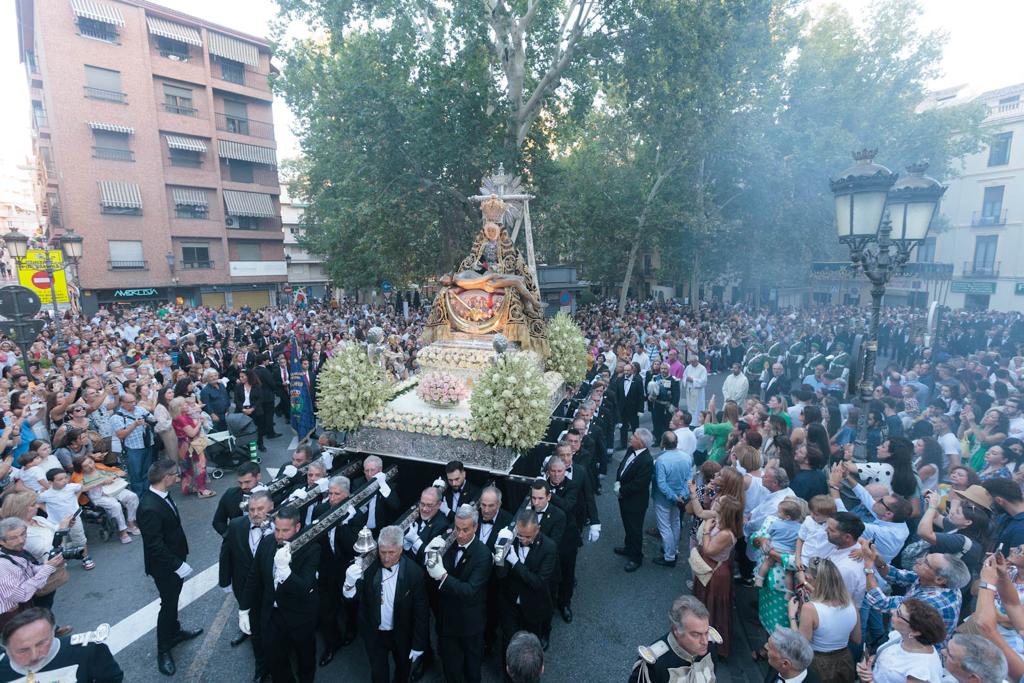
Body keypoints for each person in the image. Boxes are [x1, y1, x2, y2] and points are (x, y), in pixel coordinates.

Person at [238, 505, 320, 683]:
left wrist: (285, 570)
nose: (280, 535)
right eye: (277, 530)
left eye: (285, 531)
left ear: (297, 528)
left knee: (305, 659)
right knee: (276, 661)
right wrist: (243, 609)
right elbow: (254, 576)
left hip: (299, 616)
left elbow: (304, 588)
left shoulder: (311, 549)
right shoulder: (267, 543)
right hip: (272, 615)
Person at [136, 459, 203, 676]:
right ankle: (163, 649)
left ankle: (175, 632)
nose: (178, 477)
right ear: (165, 478)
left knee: (173, 600)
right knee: (168, 604)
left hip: (174, 558)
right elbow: (154, 545)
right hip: (165, 567)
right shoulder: (148, 507)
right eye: (175, 474)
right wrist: (177, 565)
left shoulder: (161, 495)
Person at [343, 525, 429, 683]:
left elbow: (421, 613)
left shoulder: (414, 573)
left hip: (402, 633)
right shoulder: (368, 568)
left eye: (392, 552)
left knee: (402, 671)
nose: (387, 558)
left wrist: (419, 643)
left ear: (401, 549)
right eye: (383, 552)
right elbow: (351, 599)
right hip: (374, 633)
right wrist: (349, 583)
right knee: (378, 674)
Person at [423, 503, 491, 683]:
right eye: (457, 528)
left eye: (465, 530)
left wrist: (443, 576)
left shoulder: (483, 555)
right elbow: (431, 572)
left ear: (475, 527)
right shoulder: (449, 540)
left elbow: (469, 590)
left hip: (470, 624)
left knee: (472, 670)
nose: (459, 534)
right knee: (450, 668)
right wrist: (430, 554)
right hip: (446, 620)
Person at [859, 538, 969, 643]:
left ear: (939, 579)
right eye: (925, 557)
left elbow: (881, 602)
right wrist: (877, 559)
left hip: (911, 650)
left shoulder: (930, 603)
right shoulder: (932, 580)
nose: (918, 560)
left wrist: (868, 566)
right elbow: (896, 575)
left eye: (926, 562)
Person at [218, 491, 274, 682]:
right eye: (252, 509)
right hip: (245, 589)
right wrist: (224, 581)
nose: (256, 513)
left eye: (260, 509)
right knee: (256, 631)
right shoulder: (236, 525)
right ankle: (261, 667)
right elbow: (225, 553)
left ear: (271, 508)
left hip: (272, 591)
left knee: (275, 628)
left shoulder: (280, 528)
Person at [311, 475, 364, 667]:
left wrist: (344, 524)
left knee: (349, 603)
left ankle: (351, 629)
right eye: (330, 493)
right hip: (326, 569)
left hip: (346, 569)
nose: (332, 498)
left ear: (347, 494)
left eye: (337, 494)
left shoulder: (356, 515)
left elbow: (354, 547)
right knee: (326, 610)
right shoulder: (321, 509)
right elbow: (315, 540)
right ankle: (332, 644)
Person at [0, 607, 123, 682]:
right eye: (22, 650)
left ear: (53, 632)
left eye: (42, 643)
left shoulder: (88, 650)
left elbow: (111, 678)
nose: (34, 655)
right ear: (6, 649)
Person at [495, 510, 557, 654]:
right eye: (520, 535)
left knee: (530, 645)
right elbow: (500, 575)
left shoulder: (549, 547)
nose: (522, 539)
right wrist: (500, 550)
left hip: (533, 604)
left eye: (528, 536)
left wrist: (515, 563)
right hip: (510, 602)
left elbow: (538, 582)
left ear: (538, 529)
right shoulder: (511, 539)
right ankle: (508, 674)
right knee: (508, 641)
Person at [789, 558, 859, 682]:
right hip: (845, 661)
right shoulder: (850, 602)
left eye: (808, 576)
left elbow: (800, 647)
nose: (806, 577)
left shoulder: (810, 609)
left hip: (818, 664)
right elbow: (856, 639)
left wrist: (792, 616)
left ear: (815, 580)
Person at [692, 495, 741, 658]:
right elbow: (699, 512)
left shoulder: (726, 533)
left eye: (719, 502)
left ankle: (711, 646)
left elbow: (709, 550)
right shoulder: (717, 517)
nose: (716, 501)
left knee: (712, 608)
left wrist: (706, 530)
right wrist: (693, 493)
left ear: (725, 510)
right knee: (704, 603)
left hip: (715, 573)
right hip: (709, 568)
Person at [628, 595, 719, 683]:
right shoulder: (655, 664)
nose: (704, 641)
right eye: (696, 635)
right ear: (676, 630)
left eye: (706, 632)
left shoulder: (710, 645)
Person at [855, 598, 945, 683]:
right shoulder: (900, 636)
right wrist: (869, 663)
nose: (892, 611)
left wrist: (869, 680)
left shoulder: (921, 670)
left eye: (899, 614)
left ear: (915, 631)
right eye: (897, 608)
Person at [0, 518, 64, 633]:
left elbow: (30, 569)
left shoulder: (14, 551)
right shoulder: (3, 565)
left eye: (22, 534)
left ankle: (50, 631)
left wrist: (49, 565)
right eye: (13, 538)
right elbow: (22, 595)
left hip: (22, 607)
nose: (21, 540)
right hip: (12, 614)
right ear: (1, 541)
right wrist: (48, 568)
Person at [615, 429, 654, 572]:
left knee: (635, 530)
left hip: (635, 502)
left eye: (635, 437)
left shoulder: (647, 460)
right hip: (625, 498)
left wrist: (620, 490)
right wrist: (618, 481)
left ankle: (636, 558)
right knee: (627, 525)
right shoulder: (631, 449)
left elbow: (639, 484)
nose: (631, 438)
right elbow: (622, 466)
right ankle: (628, 547)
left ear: (642, 443)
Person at [652, 430, 692, 568]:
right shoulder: (686, 457)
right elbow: (689, 478)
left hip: (664, 499)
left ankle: (669, 557)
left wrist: (673, 497)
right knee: (675, 523)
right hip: (680, 498)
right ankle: (673, 550)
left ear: (663, 443)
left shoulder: (661, 460)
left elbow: (661, 483)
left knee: (665, 527)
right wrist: (681, 495)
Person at [109, 392, 154, 496]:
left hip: (147, 444)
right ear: (122, 403)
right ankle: (138, 497)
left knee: (147, 472)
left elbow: (152, 418)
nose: (133, 404)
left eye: (134, 401)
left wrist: (149, 421)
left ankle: (148, 495)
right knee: (136, 475)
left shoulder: (140, 409)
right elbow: (121, 435)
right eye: (129, 402)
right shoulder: (116, 417)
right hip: (133, 449)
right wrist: (134, 424)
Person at [754, 498, 803, 590]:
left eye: (780, 512)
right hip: (789, 552)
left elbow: (769, 534)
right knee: (789, 572)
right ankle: (789, 591)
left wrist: (765, 541)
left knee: (767, 563)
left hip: (775, 549)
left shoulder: (776, 523)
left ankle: (759, 579)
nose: (777, 513)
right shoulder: (800, 527)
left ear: (788, 517)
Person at [212, 461, 263, 536]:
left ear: (258, 477)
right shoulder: (230, 494)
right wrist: (230, 538)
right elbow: (218, 522)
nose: (243, 487)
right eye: (240, 483)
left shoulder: (271, 495)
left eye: (247, 482)